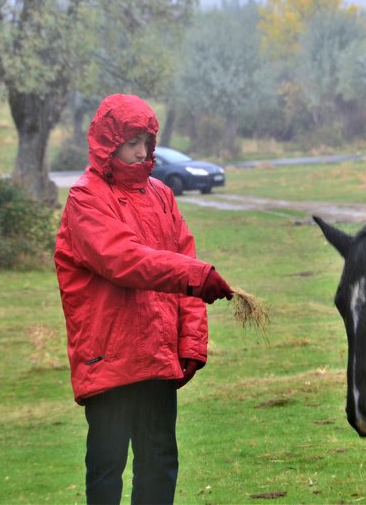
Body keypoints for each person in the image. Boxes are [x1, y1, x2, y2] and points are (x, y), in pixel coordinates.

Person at [54, 93, 233, 504]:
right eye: (132, 141)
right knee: (107, 468)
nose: (141, 151)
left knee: (159, 463)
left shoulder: (161, 196)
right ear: (108, 142)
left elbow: (183, 259)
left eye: (147, 141)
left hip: (155, 357)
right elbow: (124, 260)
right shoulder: (86, 199)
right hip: (110, 357)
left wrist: (189, 342)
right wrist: (196, 276)